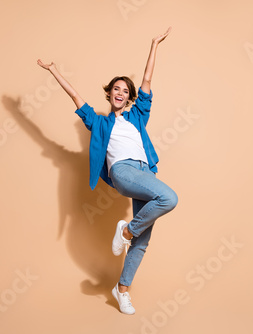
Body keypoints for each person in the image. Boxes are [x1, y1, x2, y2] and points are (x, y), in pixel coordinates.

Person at [37, 27, 177, 315]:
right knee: (169, 198)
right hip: (123, 172)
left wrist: (154, 44)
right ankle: (126, 230)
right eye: (117, 89)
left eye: (126, 91)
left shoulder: (138, 116)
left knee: (143, 241)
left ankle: (121, 290)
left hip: (145, 174)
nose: (121, 93)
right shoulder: (99, 122)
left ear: (129, 98)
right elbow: (75, 96)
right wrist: (53, 71)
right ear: (109, 93)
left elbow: (148, 79)